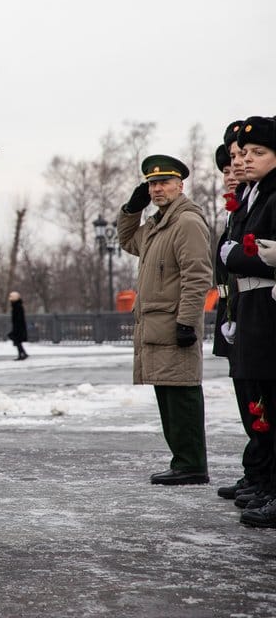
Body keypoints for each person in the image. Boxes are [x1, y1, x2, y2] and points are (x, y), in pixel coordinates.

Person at [117, 153, 214, 486]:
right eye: (152, 184)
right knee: (168, 393)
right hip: (158, 325)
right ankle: (183, 461)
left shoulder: (186, 221)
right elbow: (129, 242)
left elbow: (198, 274)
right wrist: (131, 210)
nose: (157, 189)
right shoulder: (159, 223)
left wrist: (187, 320)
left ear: (180, 185)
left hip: (174, 324)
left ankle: (191, 464)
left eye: (164, 182)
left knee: (183, 393)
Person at [220, 117, 276, 526]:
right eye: (241, 154)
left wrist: (236, 255)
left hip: (266, 302)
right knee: (259, 398)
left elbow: (245, 253)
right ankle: (264, 480)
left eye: (256, 153)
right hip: (249, 303)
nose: (244, 161)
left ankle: (269, 483)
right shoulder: (254, 194)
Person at [8, 292, 28, 360]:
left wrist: (16, 327)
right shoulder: (16, 306)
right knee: (17, 340)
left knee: (16, 340)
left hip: (18, 327)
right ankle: (23, 354)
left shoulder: (17, 306)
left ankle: (22, 354)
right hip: (18, 326)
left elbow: (18, 318)